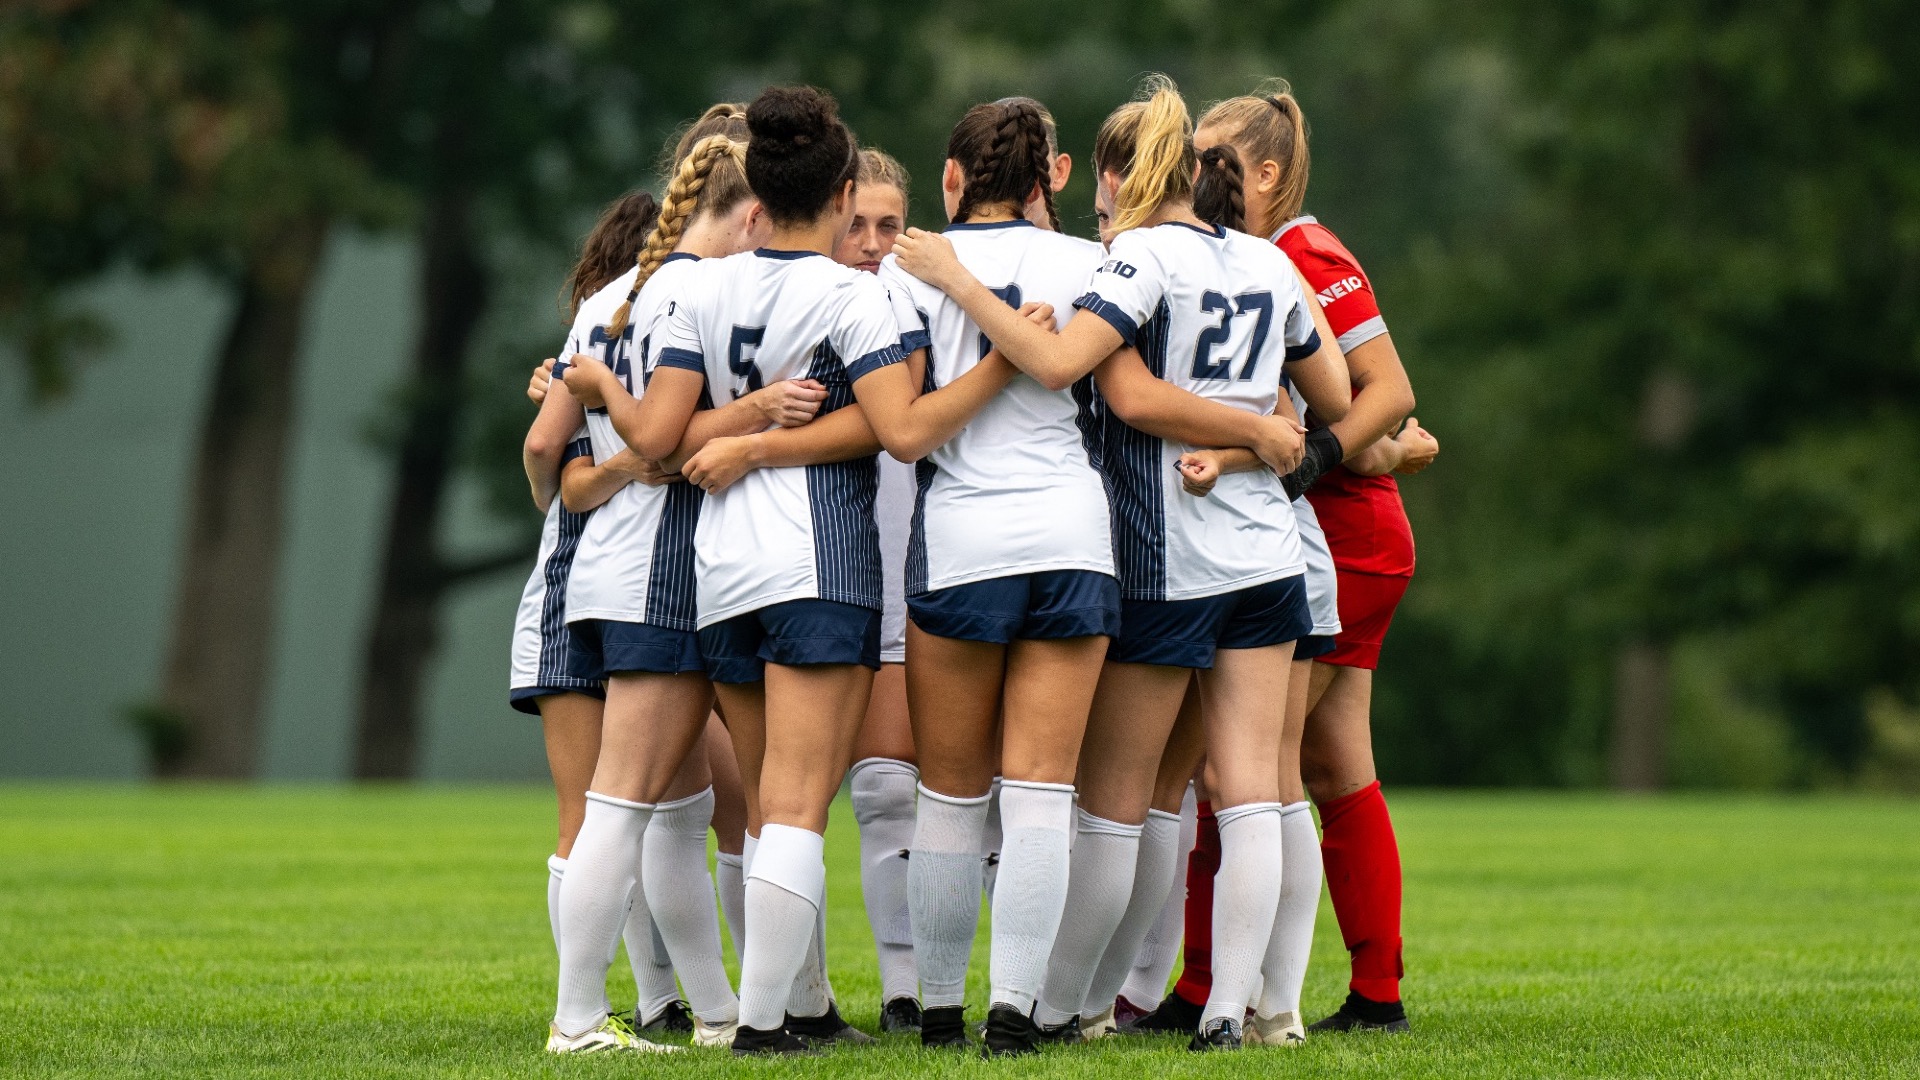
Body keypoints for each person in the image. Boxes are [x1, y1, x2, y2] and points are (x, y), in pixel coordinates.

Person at [569, 83, 1019, 1055]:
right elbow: (903, 431)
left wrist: (742, 440)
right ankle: (767, 1023)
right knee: (795, 807)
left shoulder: (697, 286)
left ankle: (773, 1010)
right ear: (841, 187)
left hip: (716, 574)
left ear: (758, 194)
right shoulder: (854, 294)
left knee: (768, 803)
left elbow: (671, 433)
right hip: (818, 567)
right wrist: (1000, 369)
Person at [892, 75, 1329, 1052]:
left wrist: (959, 288)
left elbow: (1063, 385)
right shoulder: (1196, 260)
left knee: (1034, 800)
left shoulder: (1111, 260)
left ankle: (996, 1009)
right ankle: (1193, 1014)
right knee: (1190, 788)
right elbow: (1328, 389)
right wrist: (1267, 430)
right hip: (1172, 549)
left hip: (1070, 547)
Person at [1156, 82, 1438, 1037]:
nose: (1192, 172)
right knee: (1326, 767)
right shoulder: (1248, 255)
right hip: (1333, 529)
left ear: (1264, 174)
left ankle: (1220, 996)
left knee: (1242, 770)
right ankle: (1373, 991)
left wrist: (1322, 451)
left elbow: (1387, 390)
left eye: (1209, 155)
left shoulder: (1300, 253)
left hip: (1338, 535)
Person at [864, 98, 1114, 1056]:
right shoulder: (1094, 265)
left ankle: (936, 1009)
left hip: (964, 541)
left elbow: (907, 429)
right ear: (1050, 173)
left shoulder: (908, 272)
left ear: (953, 177)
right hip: (1071, 535)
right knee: (1044, 791)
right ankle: (1015, 1011)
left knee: (952, 793)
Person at [1106, 141, 1353, 1048]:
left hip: (1178, 552)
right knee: (1256, 786)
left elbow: (1127, 395)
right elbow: (1330, 402)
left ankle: (1082, 1003)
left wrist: (1245, 436)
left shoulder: (1145, 261)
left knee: (1135, 790)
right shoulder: (1273, 263)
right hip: (1271, 548)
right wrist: (1265, 436)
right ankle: (1246, 1011)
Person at [832, 147, 924, 1035]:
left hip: (960, 559)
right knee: (885, 793)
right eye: (854, 223)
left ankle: (1039, 996)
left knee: (1014, 795)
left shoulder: (937, 294)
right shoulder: (802, 303)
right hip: (845, 571)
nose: (869, 242)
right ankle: (902, 990)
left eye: (888, 226)